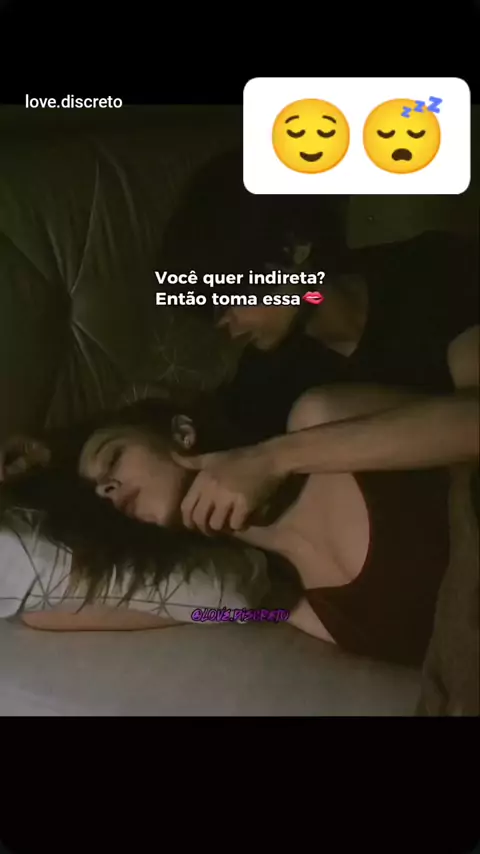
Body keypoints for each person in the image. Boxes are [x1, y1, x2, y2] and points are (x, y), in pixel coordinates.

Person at [0, 385, 452, 668]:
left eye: (114, 457)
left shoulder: (320, 418)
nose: (106, 489)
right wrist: (37, 472)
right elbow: (47, 611)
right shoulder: (295, 608)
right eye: (99, 493)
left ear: (181, 432)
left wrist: (273, 459)